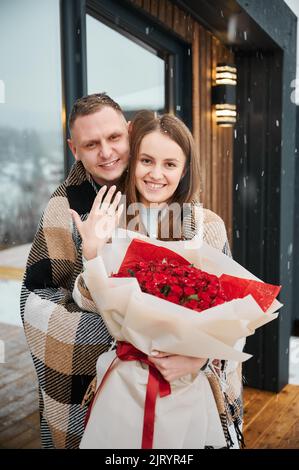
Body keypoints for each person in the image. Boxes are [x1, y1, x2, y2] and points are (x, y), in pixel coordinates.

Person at [71, 110, 244, 448]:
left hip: (187, 386)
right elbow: (88, 301)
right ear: (132, 162)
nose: (156, 174)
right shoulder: (110, 218)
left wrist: (202, 357)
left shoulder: (206, 225)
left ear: (184, 171)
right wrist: (91, 252)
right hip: (123, 383)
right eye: (146, 160)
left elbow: (234, 311)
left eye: (169, 164)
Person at [20, 93, 131, 449]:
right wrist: (120, 329)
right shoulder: (62, 207)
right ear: (74, 149)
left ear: (129, 131)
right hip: (94, 375)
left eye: (114, 138)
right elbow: (36, 299)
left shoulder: (160, 184)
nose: (106, 152)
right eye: (91, 144)